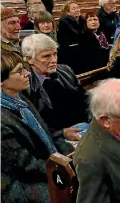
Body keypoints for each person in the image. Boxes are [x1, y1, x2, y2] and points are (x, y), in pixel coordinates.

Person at [1, 50, 74, 203]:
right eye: (19, 71)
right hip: (24, 185)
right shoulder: (2, 121)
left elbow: (49, 134)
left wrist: (69, 157)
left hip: (48, 167)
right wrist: (64, 169)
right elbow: (25, 166)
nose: (28, 73)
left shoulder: (20, 100)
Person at [22, 34, 89, 141]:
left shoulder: (66, 70)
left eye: (55, 54)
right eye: (46, 56)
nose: (54, 60)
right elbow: (33, 125)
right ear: (30, 59)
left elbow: (85, 100)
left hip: (83, 128)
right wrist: (61, 133)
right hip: (55, 139)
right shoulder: (24, 85)